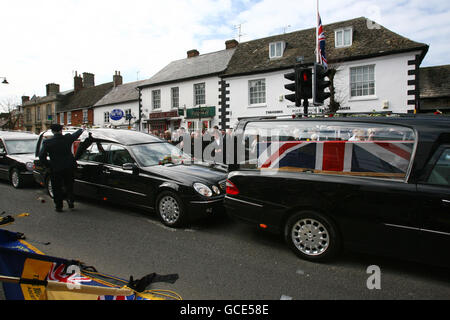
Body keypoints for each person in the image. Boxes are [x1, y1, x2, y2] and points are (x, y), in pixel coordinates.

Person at [39, 124, 84, 212]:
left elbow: (41, 156)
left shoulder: (47, 142)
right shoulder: (67, 138)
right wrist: (82, 129)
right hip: (69, 167)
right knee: (69, 185)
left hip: (56, 168)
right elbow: (76, 134)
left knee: (57, 187)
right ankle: (70, 200)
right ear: (61, 130)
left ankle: (59, 206)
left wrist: (49, 165)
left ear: (52, 131)